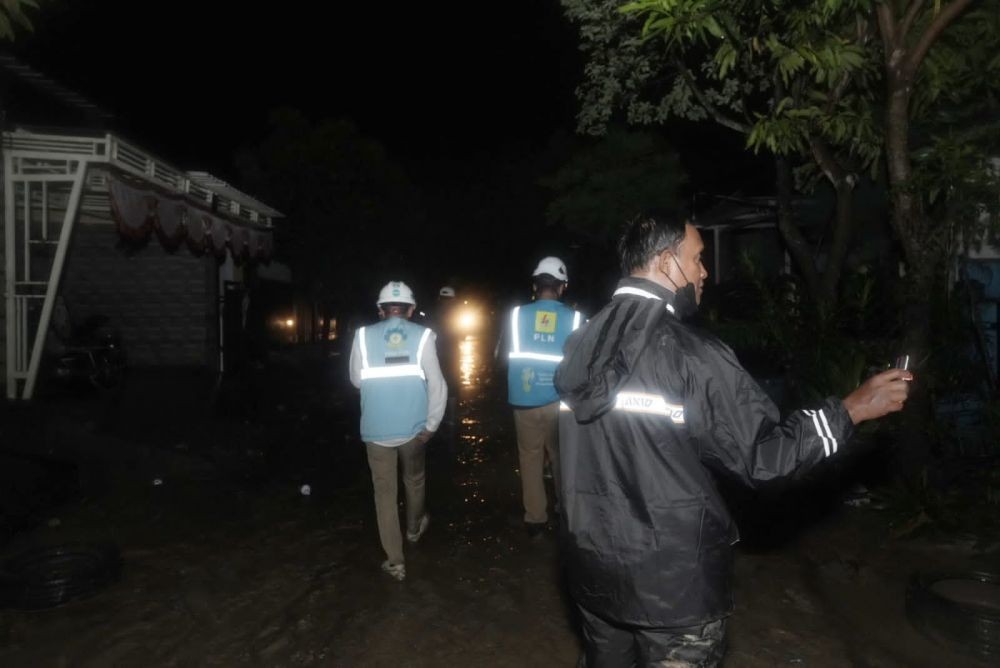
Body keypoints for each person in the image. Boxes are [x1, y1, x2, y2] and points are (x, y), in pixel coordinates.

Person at [555, 211, 912, 666]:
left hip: (593, 571)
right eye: (698, 259)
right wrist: (852, 410)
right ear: (667, 264)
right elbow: (765, 459)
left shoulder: (580, 344)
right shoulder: (693, 356)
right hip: (675, 591)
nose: (706, 272)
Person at [349, 281, 447, 581]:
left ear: (380, 310)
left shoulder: (362, 336)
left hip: (376, 430)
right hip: (413, 429)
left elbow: (355, 380)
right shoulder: (424, 336)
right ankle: (414, 529)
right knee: (414, 480)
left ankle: (395, 560)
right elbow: (438, 385)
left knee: (384, 495)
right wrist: (431, 425)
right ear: (411, 309)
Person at [500, 257, 584, 535]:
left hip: (523, 399)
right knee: (562, 458)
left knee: (530, 457)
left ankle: (535, 518)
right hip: (559, 401)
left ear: (535, 285)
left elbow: (503, 353)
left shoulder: (514, 315)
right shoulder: (574, 318)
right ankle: (565, 509)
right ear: (562, 287)